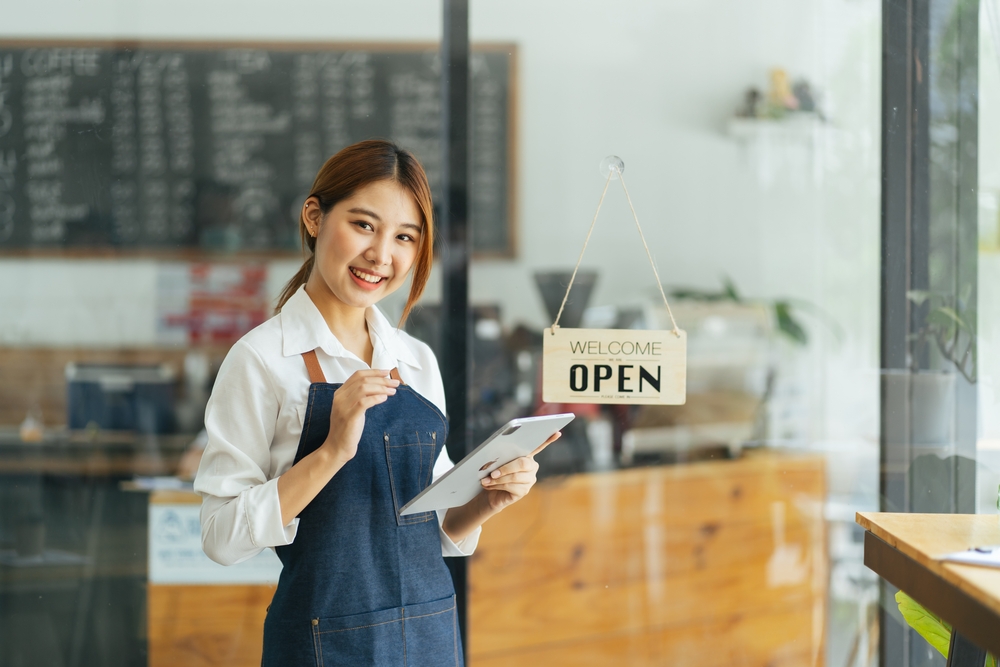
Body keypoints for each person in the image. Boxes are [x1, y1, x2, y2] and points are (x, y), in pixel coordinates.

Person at [193, 139, 559, 666]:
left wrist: (487, 501)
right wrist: (330, 451)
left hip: (431, 635)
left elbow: (427, 528)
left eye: (404, 237)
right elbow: (220, 538)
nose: (381, 255)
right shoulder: (261, 360)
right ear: (315, 218)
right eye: (364, 225)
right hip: (323, 644)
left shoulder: (415, 361)